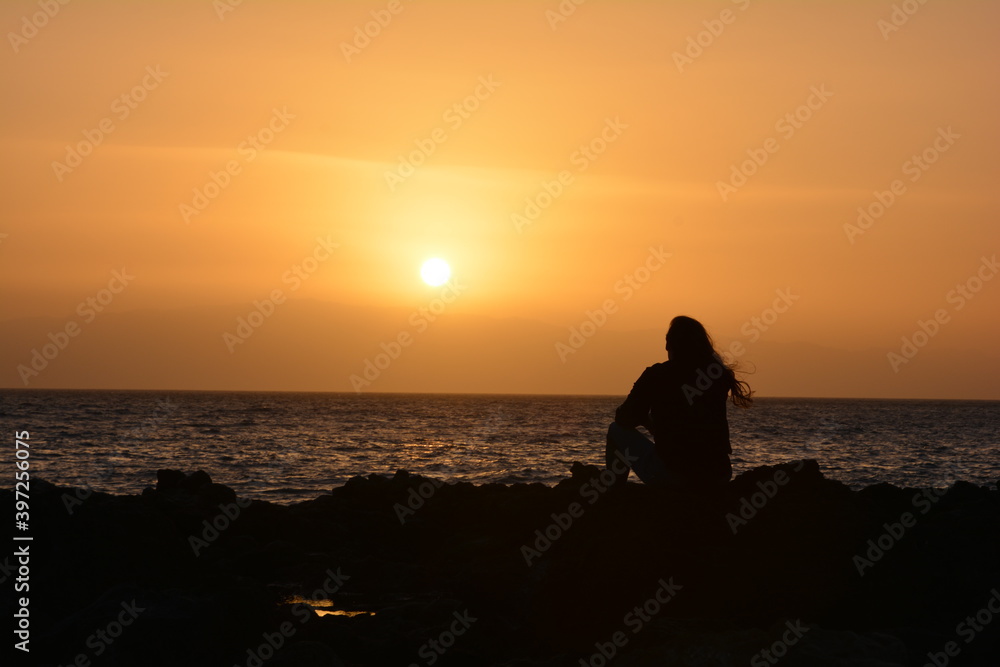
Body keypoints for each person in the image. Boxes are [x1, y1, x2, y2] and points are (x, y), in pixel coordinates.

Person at [605, 315, 752, 488]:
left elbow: (624, 418)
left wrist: (646, 421)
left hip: (676, 476)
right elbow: (690, 419)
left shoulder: (657, 374)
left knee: (616, 430)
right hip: (719, 474)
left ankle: (615, 493)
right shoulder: (717, 375)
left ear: (670, 344)